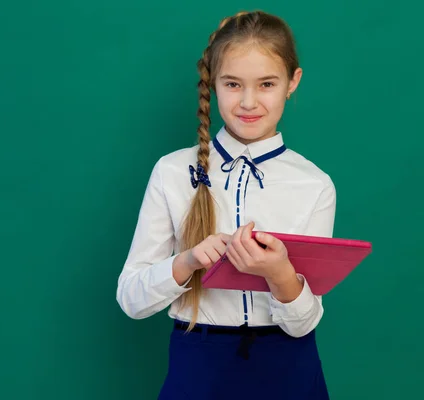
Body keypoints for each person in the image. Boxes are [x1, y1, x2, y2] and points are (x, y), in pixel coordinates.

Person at [116, 10, 336, 400]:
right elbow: (132, 300)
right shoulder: (171, 172)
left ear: (292, 82)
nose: (249, 102)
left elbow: (303, 324)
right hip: (198, 366)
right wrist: (187, 262)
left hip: (288, 367)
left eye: (266, 83)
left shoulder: (314, 184)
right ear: (213, 84)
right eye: (233, 84)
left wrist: (280, 274)